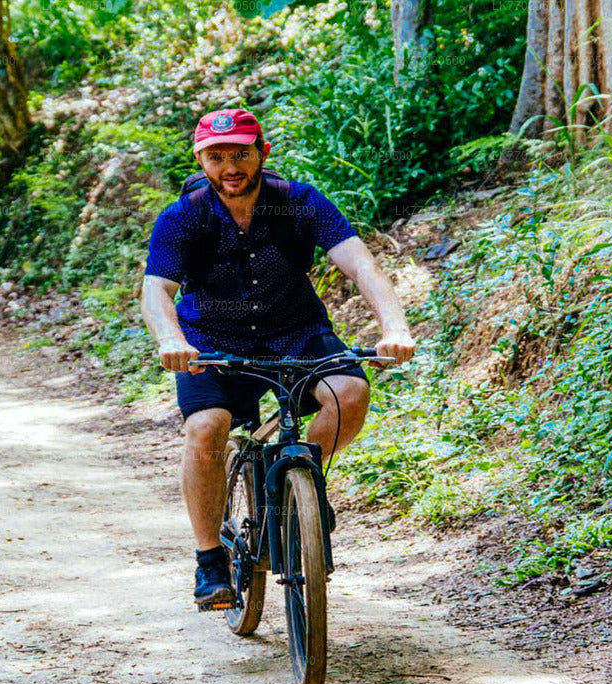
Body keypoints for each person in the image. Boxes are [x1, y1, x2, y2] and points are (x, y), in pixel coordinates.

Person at [140, 108, 416, 609]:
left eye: (240, 154)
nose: (230, 166)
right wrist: (170, 339)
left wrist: (394, 327)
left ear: (262, 153)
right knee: (206, 427)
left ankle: (301, 479)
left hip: (296, 331)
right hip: (211, 339)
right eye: (216, 157)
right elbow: (157, 288)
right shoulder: (184, 216)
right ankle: (209, 560)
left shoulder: (299, 202)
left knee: (350, 393)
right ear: (200, 160)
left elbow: (361, 265)